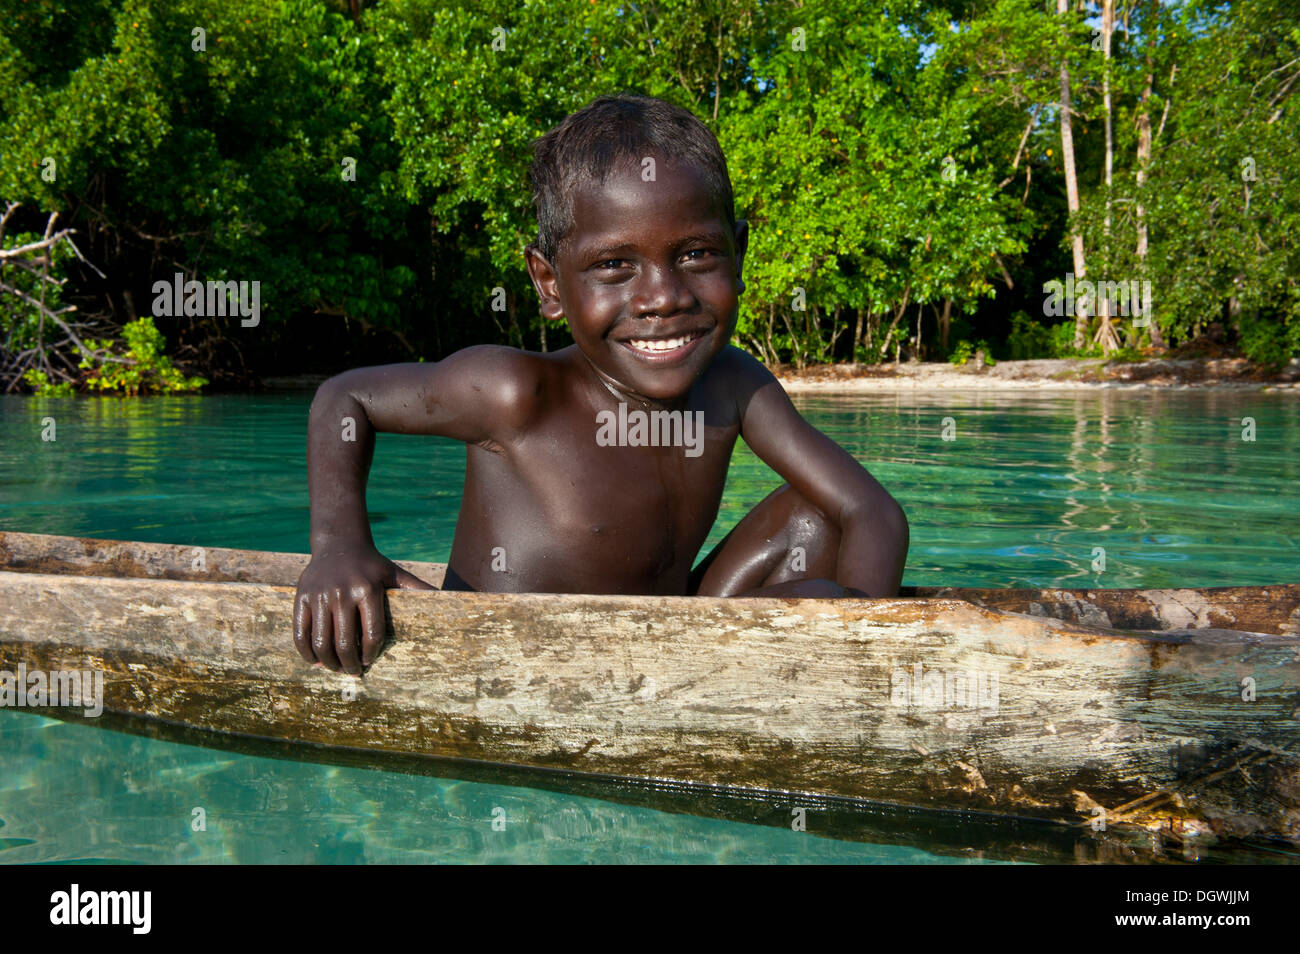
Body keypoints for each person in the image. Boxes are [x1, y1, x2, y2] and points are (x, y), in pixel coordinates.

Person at [294, 93, 908, 674]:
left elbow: (872, 510)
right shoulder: (513, 391)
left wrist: (865, 643)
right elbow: (345, 398)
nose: (663, 297)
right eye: (614, 265)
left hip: (666, 645)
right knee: (819, 595)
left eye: (696, 254)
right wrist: (339, 546)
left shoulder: (734, 385)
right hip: (514, 657)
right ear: (550, 283)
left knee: (818, 516)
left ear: (739, 255)